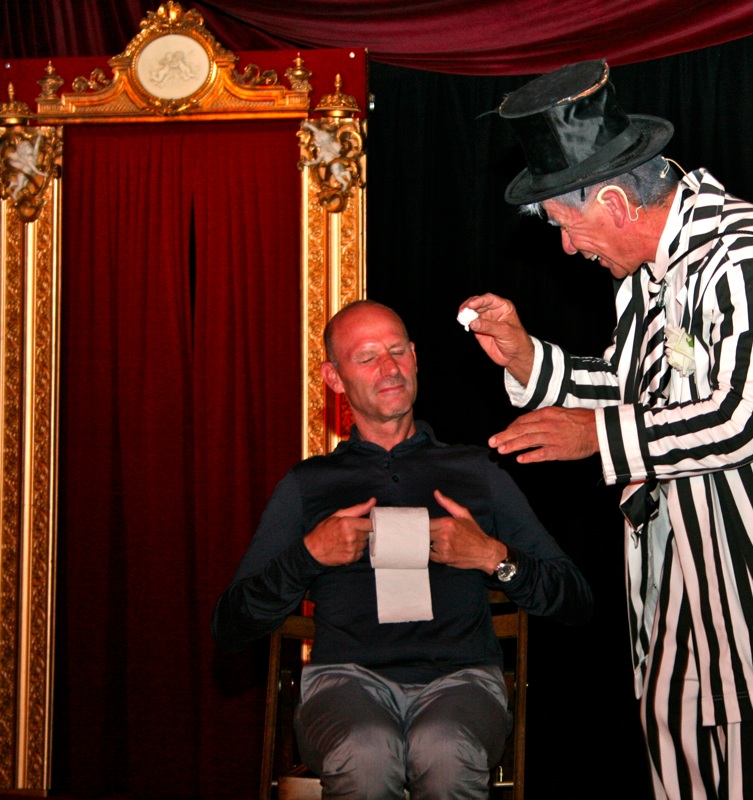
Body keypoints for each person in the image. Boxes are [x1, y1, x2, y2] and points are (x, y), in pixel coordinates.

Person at [460, 60, 753, 799]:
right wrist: (526, 357)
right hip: (688, 579)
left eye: (568, 227)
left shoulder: (749, 257)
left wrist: (599, 437)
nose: (569, 249)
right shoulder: (650, 271)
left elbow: (741, 415)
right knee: (678, 747)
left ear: (614, 202)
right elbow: (635, 386)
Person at [212, 300, 592, 800]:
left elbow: (575, 601)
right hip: (344, 682)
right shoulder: (309, 484)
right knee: (367, 750)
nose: (389, 368)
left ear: (415, 357)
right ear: (334, 378)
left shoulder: (476, 471)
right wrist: (307, 556)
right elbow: (231, 626)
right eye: (367, 357)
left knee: (443, 748)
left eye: (397, 351)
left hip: (462, 681)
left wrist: (492, 557)